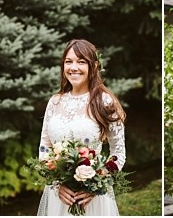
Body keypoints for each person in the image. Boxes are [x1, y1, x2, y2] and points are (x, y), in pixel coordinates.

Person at [37, 39, 127, 216]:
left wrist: (96, 184)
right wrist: (57, 185)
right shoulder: (55, 101)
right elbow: (44, 147)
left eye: (81, 61)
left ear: (93, 66)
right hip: (60, 196)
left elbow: (118, 152)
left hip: (92, 199)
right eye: (68, 61)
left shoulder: (105, 101)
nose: (73, 67)